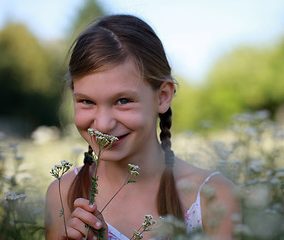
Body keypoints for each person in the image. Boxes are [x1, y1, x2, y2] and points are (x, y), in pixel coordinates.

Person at [45, 14, 239, 240]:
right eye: (87, 101)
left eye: (123, 101)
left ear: (163, 97)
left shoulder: (213, 196)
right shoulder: (63, 194)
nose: (103, 125)